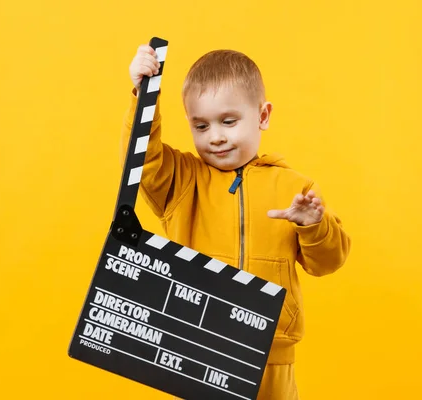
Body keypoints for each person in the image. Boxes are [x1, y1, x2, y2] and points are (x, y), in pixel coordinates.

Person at [120, 43, 352, 400]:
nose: (215, 136)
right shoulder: (180, 180)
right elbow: (143, 159)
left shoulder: (296, 189)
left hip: (272, 356)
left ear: (262, 116)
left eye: (228, 121)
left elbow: (329, 262)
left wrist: (312, 226)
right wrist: (144, 93)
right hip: (196, 346)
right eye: (201, 125)